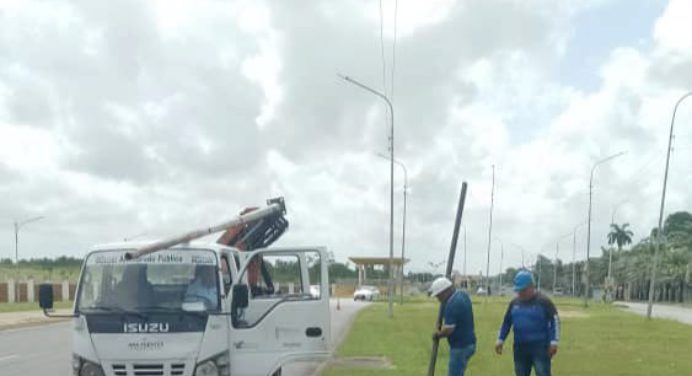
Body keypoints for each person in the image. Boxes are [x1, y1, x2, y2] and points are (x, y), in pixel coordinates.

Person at [495, 271, 560, 376]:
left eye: (523, 290)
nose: (520, 293)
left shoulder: (544, 302)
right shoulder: (514, 303)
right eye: (518, 290)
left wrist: (554, 342)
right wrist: (500, 339)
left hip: (540, 347)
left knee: (542, 372)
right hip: (520, 348)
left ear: (531, 287)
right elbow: (507, 322)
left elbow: (554, 321)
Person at [429, 277, 477, 376]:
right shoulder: (462, 295)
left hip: (460, 347)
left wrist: (438, 334)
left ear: (445, 292)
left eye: (439, 296)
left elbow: (448, 329)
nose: (438, 299)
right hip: (470, 343)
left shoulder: (453, 304)